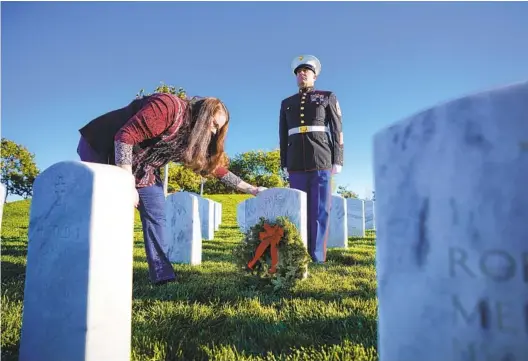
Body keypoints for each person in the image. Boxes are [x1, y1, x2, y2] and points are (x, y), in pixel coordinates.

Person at [77, 92, 266, 284]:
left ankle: (163, 276)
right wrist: (126, 184)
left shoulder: (191, 139)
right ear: (202, 114)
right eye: (214, 125)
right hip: (103, 148)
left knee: (157, 213)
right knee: (108, 209)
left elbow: (215, 169)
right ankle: (95, 269)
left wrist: (250, 189)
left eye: (219, 129)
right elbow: (125, 136)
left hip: (143, 167)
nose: (214, 132)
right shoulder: (169, 107)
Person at [279, 55, 344, 264]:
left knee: (319, 209)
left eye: (306, 71)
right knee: (297, 208)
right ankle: (299, 254)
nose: (302, 74)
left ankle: (317, 256)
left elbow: (337, 130)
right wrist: (284, 163)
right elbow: (283, 135)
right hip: (295, 161)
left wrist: (338, 159)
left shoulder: (327, 97)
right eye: (299, 72)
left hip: (321, 159)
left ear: (314, 76)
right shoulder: (287, 103)